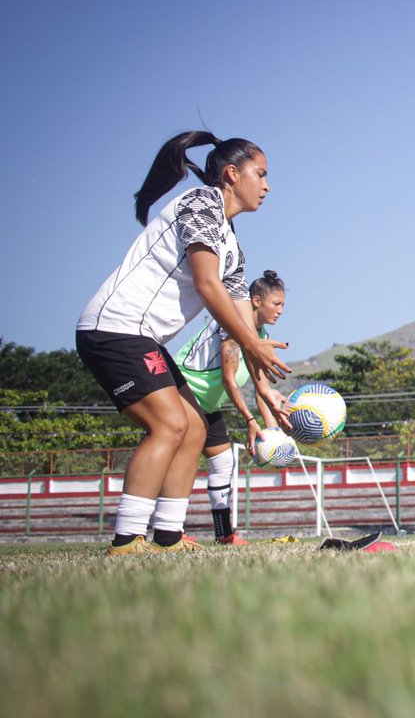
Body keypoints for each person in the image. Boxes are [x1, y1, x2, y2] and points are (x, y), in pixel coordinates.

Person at [76, 132, 290, 556]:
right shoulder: (201, 204)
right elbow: (208, 286)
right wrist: (253, 344)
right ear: (232, 174)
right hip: (115, 328)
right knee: (170, 424)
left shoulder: (231, 245)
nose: (267, 186)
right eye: (261, 174)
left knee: (194, 427)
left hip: (144, 337)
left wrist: (263, 386)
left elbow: (239, 323)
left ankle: (168, 536)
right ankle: (126, 539)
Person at [174, 270, 288, 545]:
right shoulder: (234, 324)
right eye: (276, 304)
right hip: (183, 393)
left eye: (283, 305)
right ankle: (170, 532)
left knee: (224, 461)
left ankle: (224, 534)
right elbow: (229, 379)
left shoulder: (261, 334)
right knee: (184, 458)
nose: (281, 311)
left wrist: (273, 433)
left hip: (207, 405)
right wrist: (250, 420)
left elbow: (260, 386)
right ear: (256, 301)